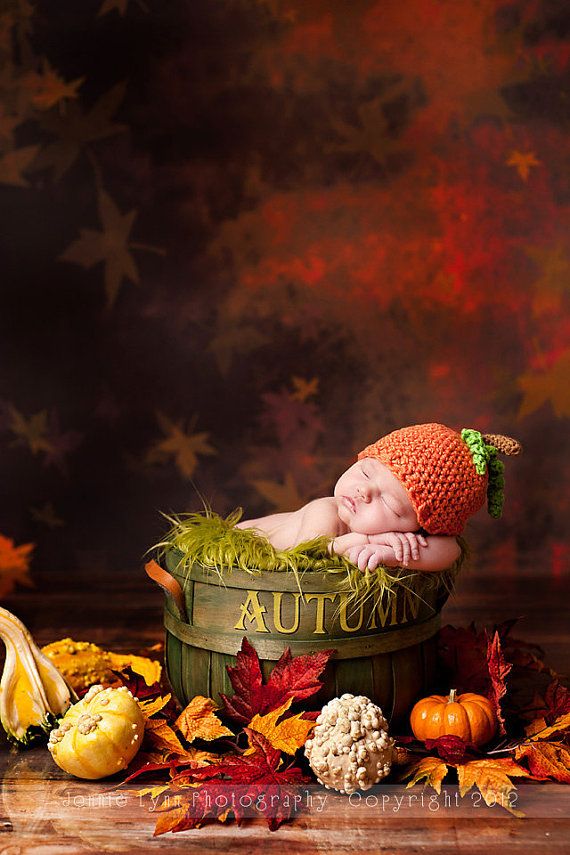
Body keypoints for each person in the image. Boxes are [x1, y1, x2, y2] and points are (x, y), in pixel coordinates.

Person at [236, 423, 521, 572]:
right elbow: (304, 556)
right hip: (239, 543)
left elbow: (451, 551)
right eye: (367, 471)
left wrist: (394, 556)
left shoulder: (402, 537)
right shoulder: (325, 512)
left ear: (417, 527)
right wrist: (368, 540)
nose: (365, 490)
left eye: (390, 503)